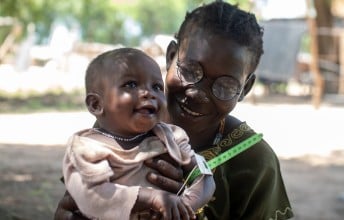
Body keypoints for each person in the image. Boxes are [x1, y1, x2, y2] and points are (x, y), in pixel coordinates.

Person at [55, 1, 294, 219]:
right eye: (190, 71)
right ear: (171, 57)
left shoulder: (254, 162)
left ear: (245, 89)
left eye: (225, 86)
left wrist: (186, 206)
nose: (197, 93)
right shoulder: (123, 124)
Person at [62, 47, 215, 220]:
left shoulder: (170, 135)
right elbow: (91, 196)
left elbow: (204, 174)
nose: (149, 93)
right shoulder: (86, 147)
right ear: (96, 104)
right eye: (131, 84)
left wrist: (183, 206)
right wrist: (152, 198)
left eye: (157, 86)